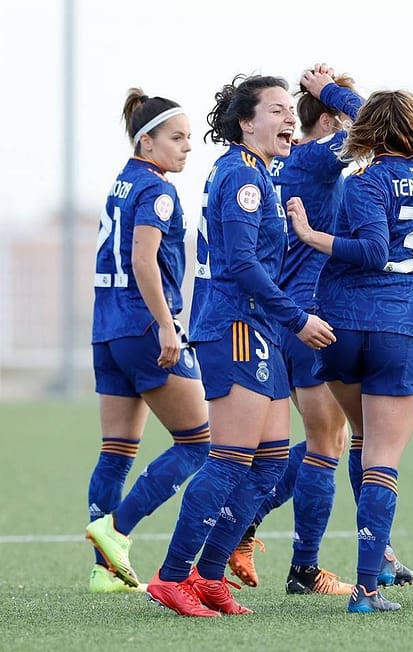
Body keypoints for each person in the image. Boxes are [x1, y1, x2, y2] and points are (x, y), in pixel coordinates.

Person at [144, 74, 336, 617]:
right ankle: (173, 575)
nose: (288, 118)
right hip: (235, 327)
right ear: (246, 122)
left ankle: (208, 575)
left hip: (259, 329)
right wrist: (298, 319)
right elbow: (241, 265)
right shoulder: (242, 177)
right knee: (229, 459)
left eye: (288, 110)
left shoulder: (258, 173)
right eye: (276, 110)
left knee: (272, 461)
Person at [287, 88, 413, 612]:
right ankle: (366, 590)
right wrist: (312, 234)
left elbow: (367, 249)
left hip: (343, 328)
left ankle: (380, 561)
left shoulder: (361, 179)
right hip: (400, 329)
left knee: (362, 440)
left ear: (367, 128)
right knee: (382, 461)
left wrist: (311, 233)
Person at [225, 63, 363, 597]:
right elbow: (370, 122)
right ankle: (302, 566)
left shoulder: (262, 166)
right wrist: (331, 90)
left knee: (284, 451)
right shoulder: (314, 157)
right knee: (327, 442)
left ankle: (242, 530)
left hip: (269, 317)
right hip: (305, 317)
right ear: (327, 118)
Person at [85, 89, 211, 594]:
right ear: (146, 141)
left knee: (116, 450)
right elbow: (143, 261)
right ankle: (116, 532)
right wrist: (165, 324)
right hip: (143, 326)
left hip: (107, 330)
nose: (186, 147)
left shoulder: (122, 182)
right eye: (176, 138)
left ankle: (103, 569)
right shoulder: (158, 190)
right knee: (198, 443)